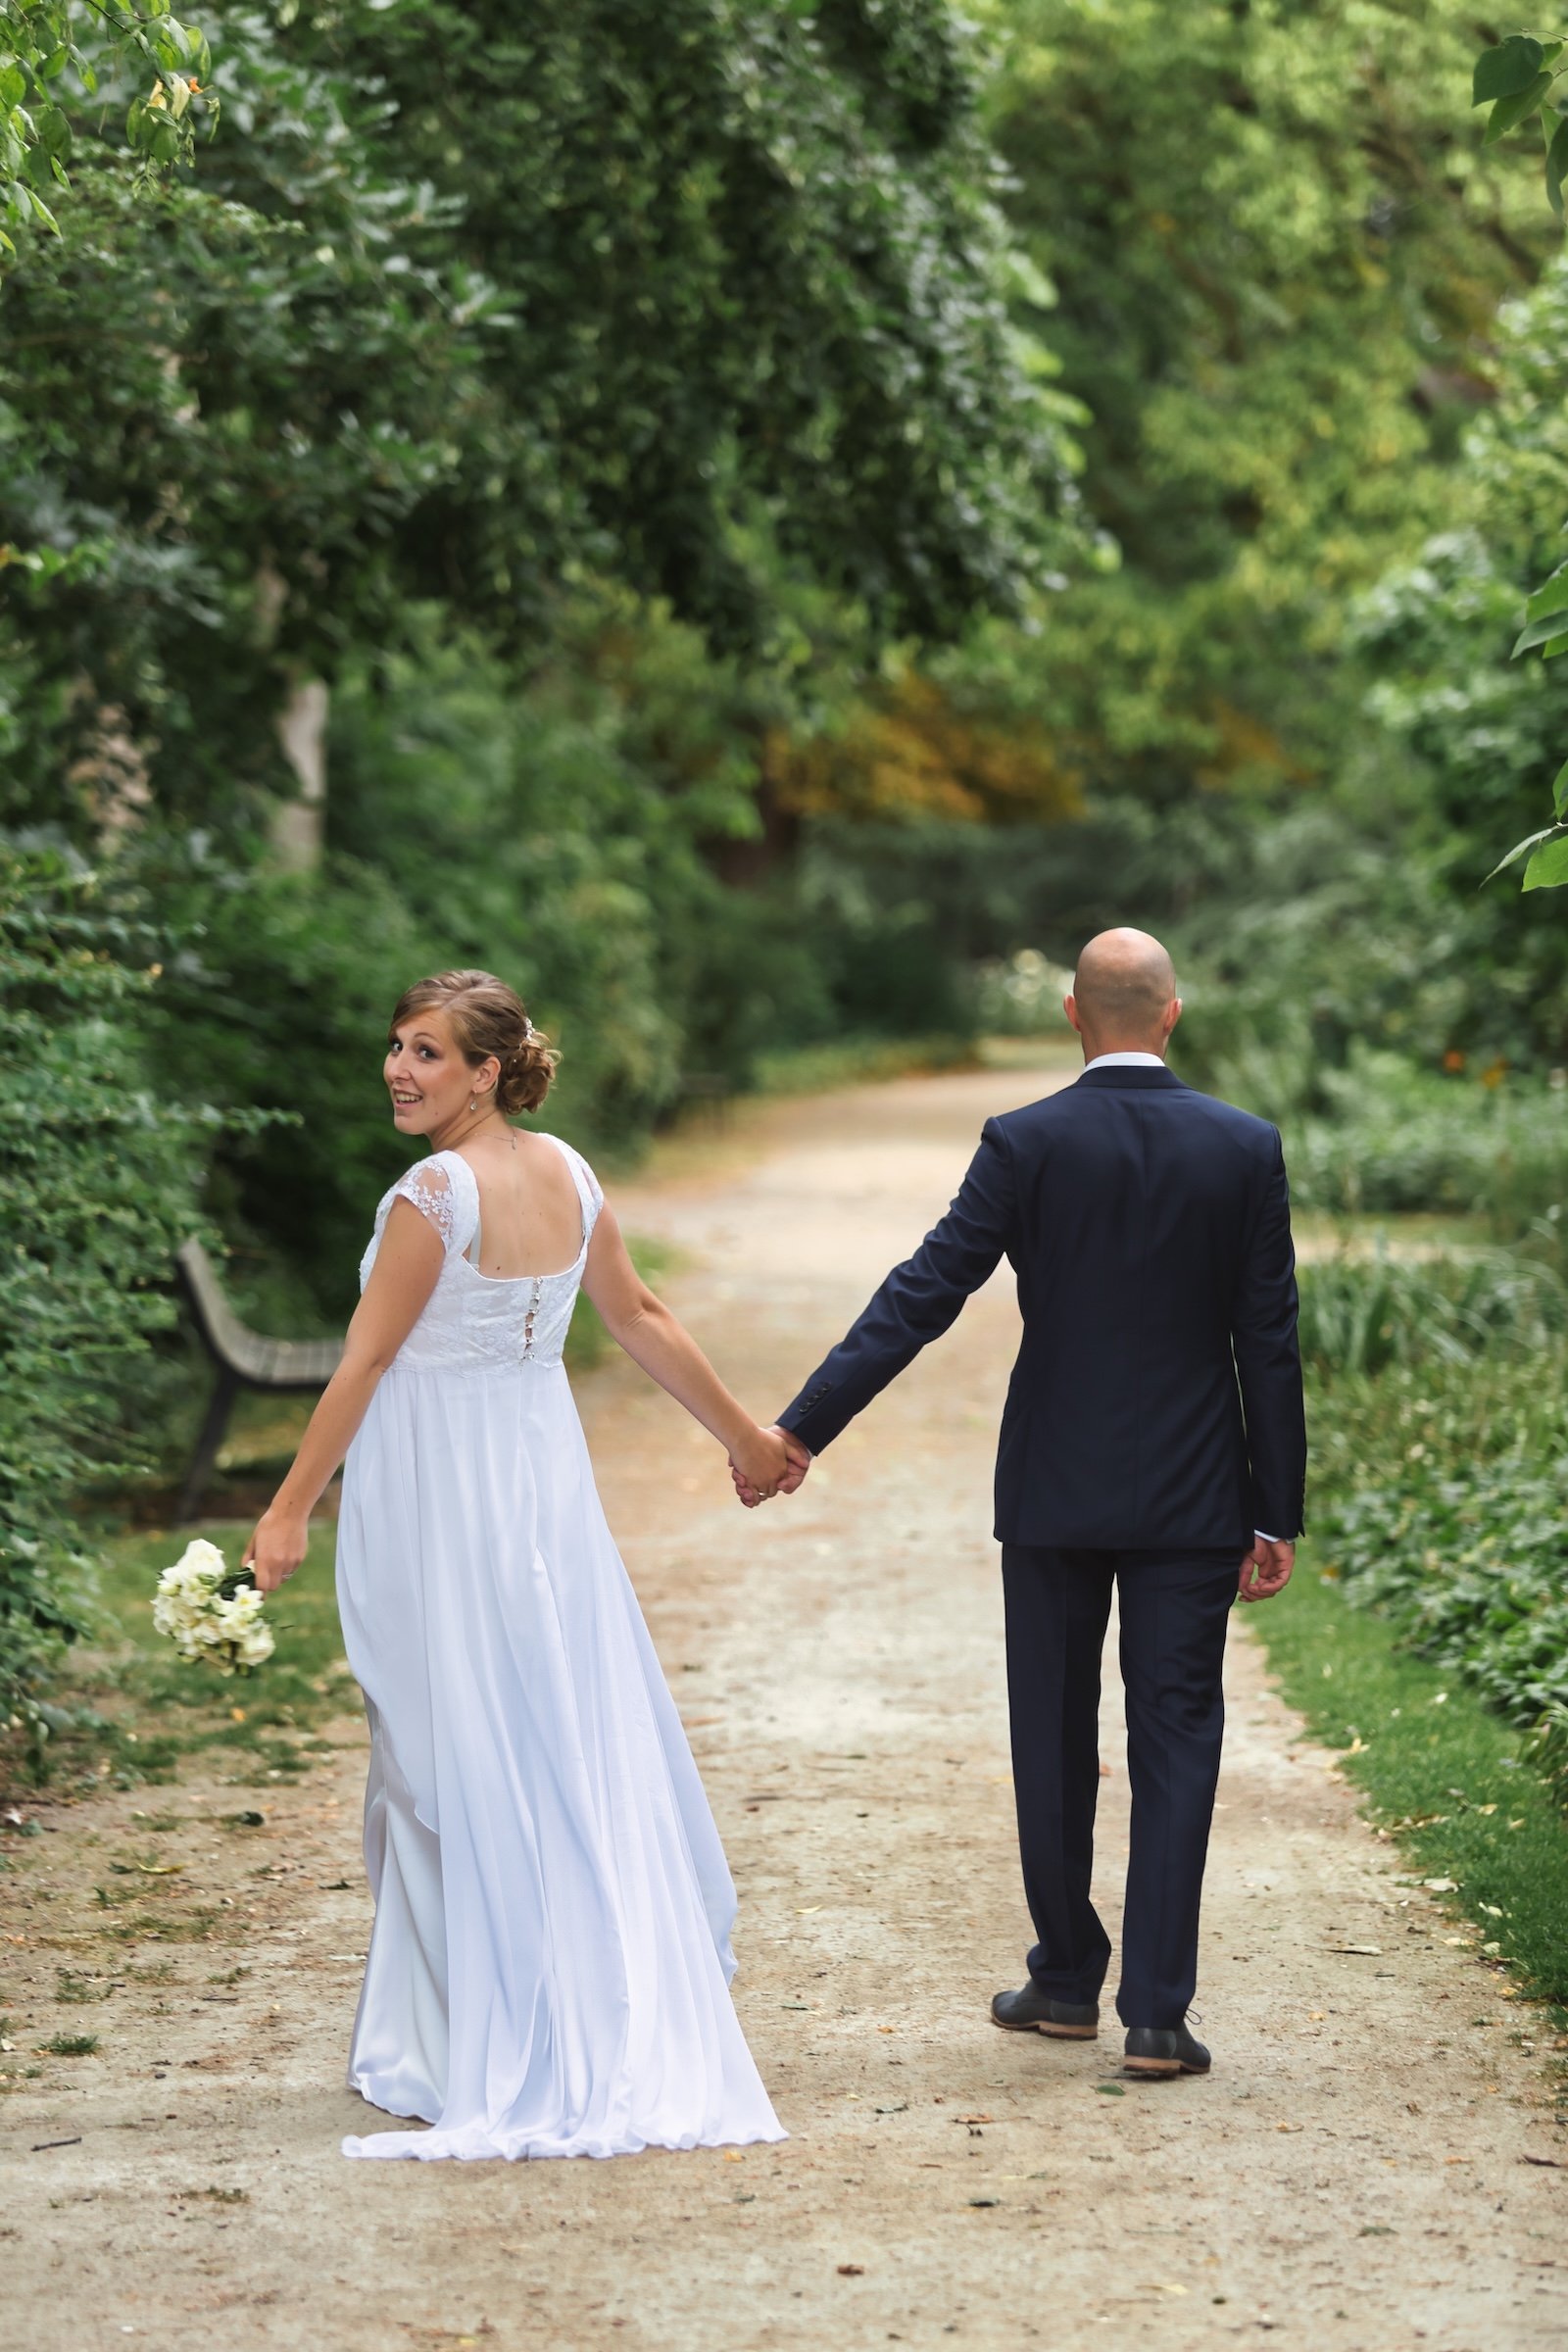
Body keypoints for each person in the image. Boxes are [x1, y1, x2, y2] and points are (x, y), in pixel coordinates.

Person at [736, 929, 1305, 2078]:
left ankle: (1061, 1978)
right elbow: (1268, 1341)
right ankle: (1154, 2013)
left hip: (1052, 1484)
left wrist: (799, 1428)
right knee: (1178, 1735)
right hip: (1197, 1493)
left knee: (1050, 1729)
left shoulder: (1027, 1141)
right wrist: (1274, 1508)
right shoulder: (1244, 1148)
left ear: (1069, 1013)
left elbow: (924, 1292)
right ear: (1172, 1014)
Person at [243, 968, 790, 2160]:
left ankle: (466, 2042)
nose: (400, 1069)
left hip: (451, 1493)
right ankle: (487, 2016)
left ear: (488, 1072)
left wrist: (287, 1511)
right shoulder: (570, 1171)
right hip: (538, 1485)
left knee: (454, 1745)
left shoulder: (432, 1192)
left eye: (429, 1053)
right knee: (542, 1730)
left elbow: (368, 1365)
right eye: (396, 1045)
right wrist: (741, 1436)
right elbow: (635, 1315)